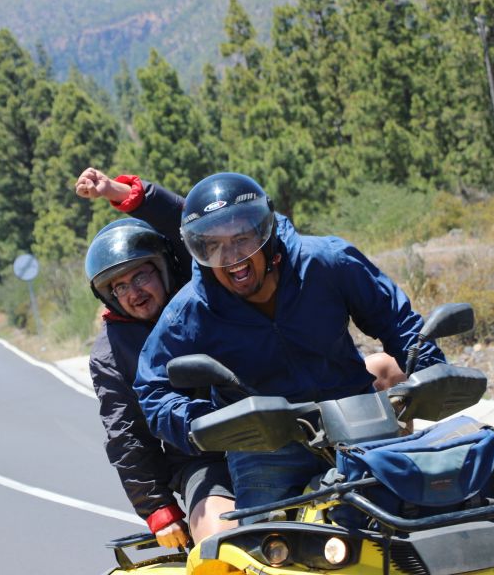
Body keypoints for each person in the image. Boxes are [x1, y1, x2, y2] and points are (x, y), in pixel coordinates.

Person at [133, 172, 447, 515]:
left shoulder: (328, 261)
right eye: (214, 245)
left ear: (265, 232)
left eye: (241, 238)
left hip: (355, 417)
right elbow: (152, 388)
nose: (231, 255)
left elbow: (397, 320)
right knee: (264, 549)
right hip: (263, 446)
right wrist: (204, 422)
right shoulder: (191, 309)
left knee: (408, 517)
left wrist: (429, 369)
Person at [76, 167, 236, 548]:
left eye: (140, 275)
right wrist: (158, 509)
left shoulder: (204, 290)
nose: (133, 291)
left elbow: (192, 223)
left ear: (165, 268)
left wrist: (121, 192)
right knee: (218, 543)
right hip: (202, 459)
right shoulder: (110, 354)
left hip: (280, 423)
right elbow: (126, 434)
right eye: (119, 286)